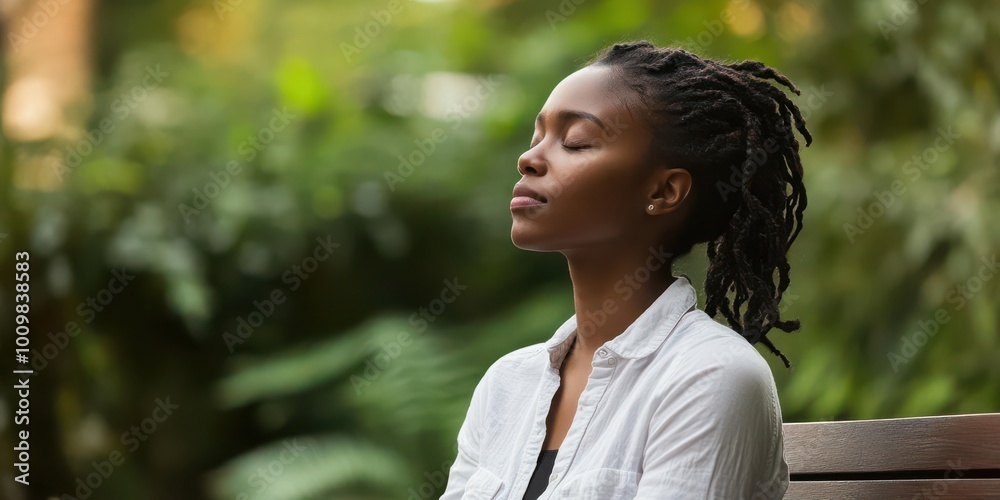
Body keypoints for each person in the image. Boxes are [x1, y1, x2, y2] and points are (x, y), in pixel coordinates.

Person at [440, 39, 811, 500]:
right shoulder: (507, 384)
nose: (529, 159)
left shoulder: (710, 376)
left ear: (664, 191)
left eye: (575, 142)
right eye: (537, 139)